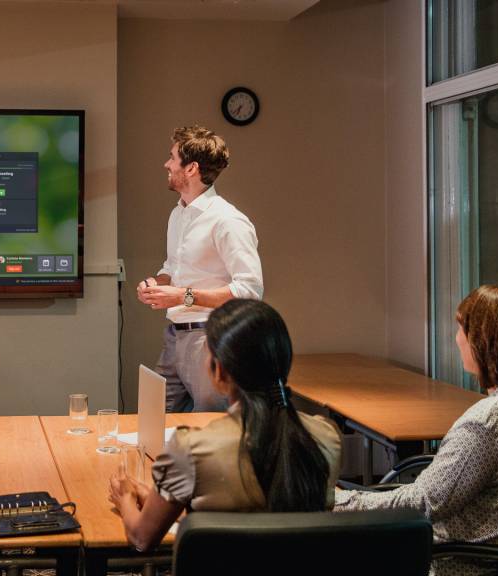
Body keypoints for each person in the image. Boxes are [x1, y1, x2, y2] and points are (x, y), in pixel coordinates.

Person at [336, 285, 498, 576]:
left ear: (485, 341)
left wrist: (340, 502)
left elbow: (422, 504)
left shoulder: (486, 423)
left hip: (453, 563)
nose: (457, 339)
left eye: (463, 330)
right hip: (495, 555)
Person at [108, 299, 341, 551]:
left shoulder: (190, 449)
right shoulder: (326, 436)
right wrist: (162, 502)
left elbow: (142, 538)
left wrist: (126, 498)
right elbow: (266, 525)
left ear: (218, 371)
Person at [138, 126, 263, 413]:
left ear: (191, 168)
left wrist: (182, 296)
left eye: (172, 158)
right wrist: (156, 284)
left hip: (212, 339)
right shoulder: (178, 213)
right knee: (153, 420)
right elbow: (172, 267)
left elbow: (250, 291)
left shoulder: (228, 221)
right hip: (174, 337)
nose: (166, 164)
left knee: (209, 426)